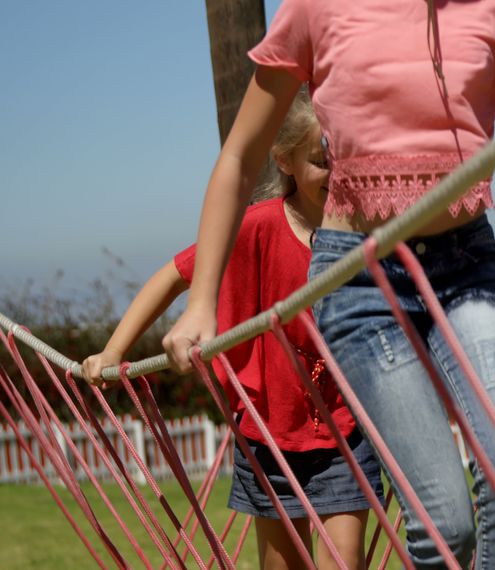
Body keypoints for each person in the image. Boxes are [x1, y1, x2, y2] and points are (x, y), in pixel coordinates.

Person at [163, 1, 495, 567]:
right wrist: (201, 302)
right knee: (445, 525)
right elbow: (241, 155)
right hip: (359, 281)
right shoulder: (318, 10)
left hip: (467, 267)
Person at [84, 91, 382, 570]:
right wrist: (112, 351)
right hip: (266, 432)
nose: (337, 174)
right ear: (285, 161)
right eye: (322, 162)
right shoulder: (254, 228)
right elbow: (172, 275)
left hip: (345, 433)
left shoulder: (368, 232)